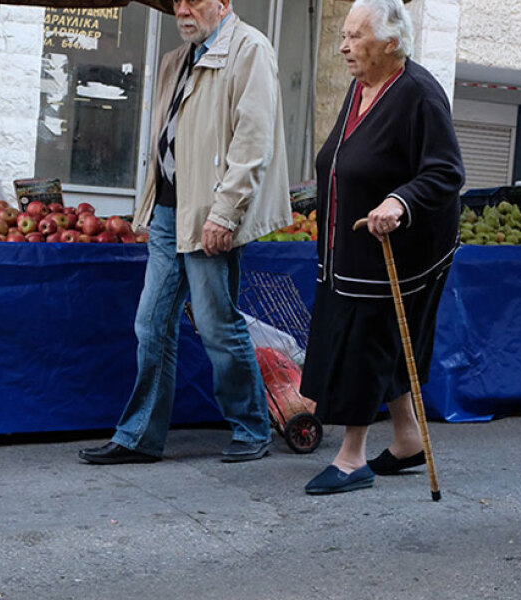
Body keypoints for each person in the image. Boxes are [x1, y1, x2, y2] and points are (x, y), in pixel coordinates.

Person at [79, 0, 291, 465]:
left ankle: (251, 427)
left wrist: (225, 213)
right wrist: (149, 207)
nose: (183, 9)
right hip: (168, 212)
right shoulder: (178, 59)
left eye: (194, 0)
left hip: (209, 213)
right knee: (150, 323)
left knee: (217, 325)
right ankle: (139, 436)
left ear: (223, 4)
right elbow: (165, 142)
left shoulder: (250, 49)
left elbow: (253, 142)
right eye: (178, 1)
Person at [299, 0, 464, 495]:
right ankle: (408, 437)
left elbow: (445, 172)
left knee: (367, 346)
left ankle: (351, 458)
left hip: (402, 250)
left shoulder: (419, 94)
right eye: (344, 34)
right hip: (351, 250)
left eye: (356, 36)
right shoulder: (361, 87)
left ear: (391, 43)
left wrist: (398, 200)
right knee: (386, 346)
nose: (344, 45)